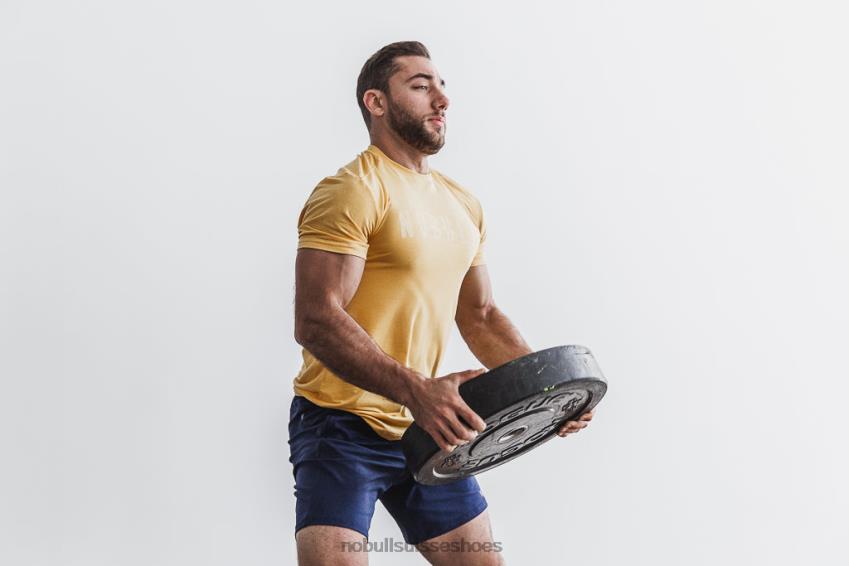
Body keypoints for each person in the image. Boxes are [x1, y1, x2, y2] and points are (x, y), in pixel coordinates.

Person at [289, 41, 594, 566]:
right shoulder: (352, 190)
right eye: (420, 85)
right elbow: (316, 319)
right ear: (376, 102)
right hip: (340, 426)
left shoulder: (461, 204)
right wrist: (416, 390)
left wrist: (547, 391)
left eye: (442, 85)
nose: (442, 99)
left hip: (426, 426)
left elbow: (480, 315)